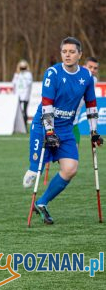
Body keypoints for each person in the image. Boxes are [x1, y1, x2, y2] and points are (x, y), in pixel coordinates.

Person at [23, 37, 103, 224]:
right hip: (44, 124)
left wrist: (94, 132)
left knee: (70, 169)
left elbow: (91, 105)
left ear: (79, 55)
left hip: (67, 128)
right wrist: (50, 132)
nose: (67, 55)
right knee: (34, 175)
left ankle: (42, 203)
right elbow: (47, 105)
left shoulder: (86, 77)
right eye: (64, 52)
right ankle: (33, 169)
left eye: (72, 52)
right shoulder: (52, 73)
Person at [72, 57, 100, 145]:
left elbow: (90, 105)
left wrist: (93, 130)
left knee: (74, 156)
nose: (92, 70)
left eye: (95, 68)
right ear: (84, 67)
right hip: (59, 122)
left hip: (74, 123)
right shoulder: (74, 76)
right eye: (90, 67)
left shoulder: (93, 80)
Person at [12, 59, 33, 130]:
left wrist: (23, 76)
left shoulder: (28, 74)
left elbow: (29, 83)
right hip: (18, 95)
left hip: (25, 95)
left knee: (24, 111)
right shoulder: (16, 74)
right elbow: (14, 84)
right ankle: (16, 127)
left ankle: (25, 127)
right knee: (18, 112)